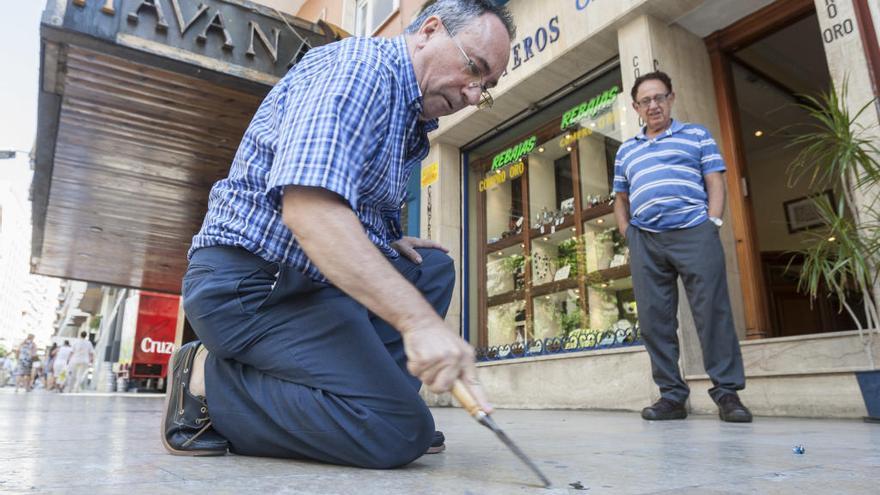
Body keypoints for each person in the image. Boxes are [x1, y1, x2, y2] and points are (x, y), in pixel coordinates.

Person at [164, 0, 515, 467]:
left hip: (309, 285)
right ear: (430, 30)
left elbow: (350, 201)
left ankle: (366, 404)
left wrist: (382, 236)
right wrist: (420, 324)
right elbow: (309, 211)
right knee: (397, 432)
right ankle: (206, 377)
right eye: (475, 69)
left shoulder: (409, 116)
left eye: (486, 88)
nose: (474, 94)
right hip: (252, 287)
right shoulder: (356, 70)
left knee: (429, 268)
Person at [613, 71, 752, 423]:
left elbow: (715, 181)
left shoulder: (697, 135)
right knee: (654, 321)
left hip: (694, 233)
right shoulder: (626, 150)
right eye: (646, 101)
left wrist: (713, 223)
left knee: (712, 314)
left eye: (659, 97)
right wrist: (628, 233)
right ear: (635, 107)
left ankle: (727, 394)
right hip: (645, 239)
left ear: (671, 98)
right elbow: (621, 198)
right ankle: (672, 397)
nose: (654, 105)